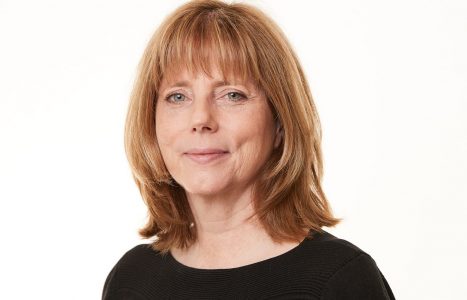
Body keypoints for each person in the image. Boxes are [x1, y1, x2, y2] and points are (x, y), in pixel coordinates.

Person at [102, 0, 395, 299]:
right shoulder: (132, 280)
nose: (201, 119)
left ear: (280, 122)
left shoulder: (340, 279)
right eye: (178, 97)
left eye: (232, 95)